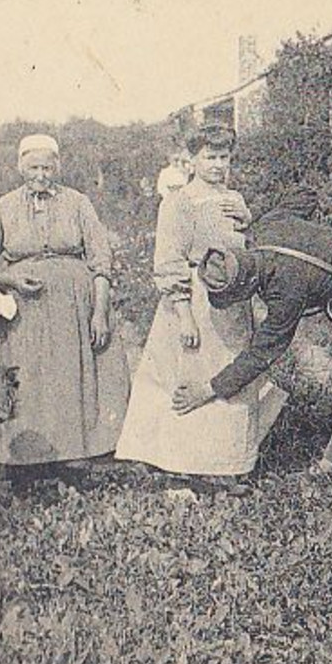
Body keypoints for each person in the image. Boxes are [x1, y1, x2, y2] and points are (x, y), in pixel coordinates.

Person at [174, 209, 332, 517]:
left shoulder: (284, 288)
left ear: (247, 287)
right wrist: (251, 213)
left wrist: (209, 389)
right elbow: (301, 200)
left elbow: (263, 353)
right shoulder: (263, 227)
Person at [117, 126, 286, 483]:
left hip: (233, 303)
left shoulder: (235, 199)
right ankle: (180, 467)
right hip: (195, 300)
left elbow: (249, 250)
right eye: (210, 157)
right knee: (189, 376)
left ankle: (226, 465)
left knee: (232, 378)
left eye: (224, 157)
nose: (218, 165)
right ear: (192, 159)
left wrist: (248, 224)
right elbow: (169, 259)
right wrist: (184, 314)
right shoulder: (179, 202)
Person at [0, 134, 131, 475]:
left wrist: (99, 313)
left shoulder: (78, 203)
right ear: (20, 167)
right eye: (34, 167)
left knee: (74, 378)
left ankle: (80, 452)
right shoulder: (2, 208)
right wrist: (10, 280)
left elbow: (101, 262)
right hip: (26, 313)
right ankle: (28, 459)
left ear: (58, 168)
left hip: (75, 310)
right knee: (32, 380)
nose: (41, 175)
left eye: (47, 167)